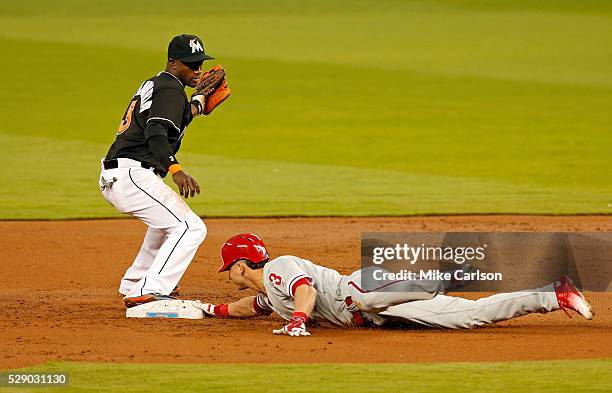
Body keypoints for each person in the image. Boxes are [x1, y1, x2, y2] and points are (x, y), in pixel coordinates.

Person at [197, 233, 594, 336]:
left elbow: (307, 291)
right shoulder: (270, 294)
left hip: (361, 289)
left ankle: (451, 272)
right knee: (468, 318)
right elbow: (252, 307)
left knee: (367, 299)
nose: (227, 274)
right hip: (377, 313)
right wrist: (210, 310)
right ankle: (552, 294)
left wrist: (300, 319)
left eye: (227, 267)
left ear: (241, 263)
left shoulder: (279, 268)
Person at [99, 34, 218, 308]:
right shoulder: (171, 89)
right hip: (132, 175)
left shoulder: (159, 84)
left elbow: (176, 113)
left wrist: (198, 104)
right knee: (191, 227)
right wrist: (175, 168)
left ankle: (134, 283)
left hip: (121, 174)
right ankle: (151, 288)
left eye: (200, 63)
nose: (198, 70)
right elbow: (156, 130)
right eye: (191, 64)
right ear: (173, 63)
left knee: (165, 226)